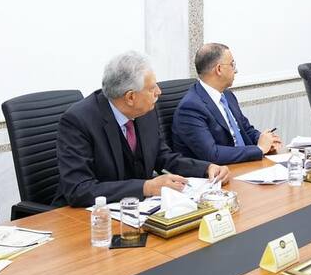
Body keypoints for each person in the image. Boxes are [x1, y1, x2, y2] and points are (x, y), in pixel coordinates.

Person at [54, 51, 230, 207]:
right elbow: (79, 189)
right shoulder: (78, 121)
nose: (159, 92)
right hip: (87, 217)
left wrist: (205, 168)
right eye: (152, 88)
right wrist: (146, 187)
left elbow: (163, 156)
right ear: (130, 97)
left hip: (137, 210)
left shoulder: (145, 111)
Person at [171, 43, 281, 164]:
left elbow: (245, 129)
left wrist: (265, 140)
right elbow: (213, 154)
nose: (236, 70)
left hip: (244, 164)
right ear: (219, 69)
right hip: (220, 171)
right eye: (232, 64)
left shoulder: (227, 95)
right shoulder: (190, 108)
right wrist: (259, 149)